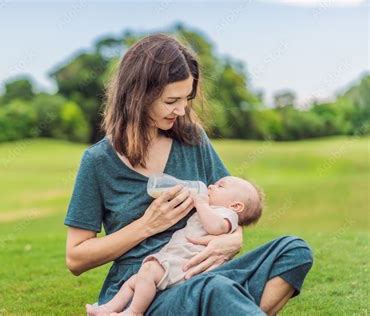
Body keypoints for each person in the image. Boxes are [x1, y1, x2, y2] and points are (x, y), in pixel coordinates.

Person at [65, 33, 313, 315]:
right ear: (138, 96)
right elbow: (76, 258)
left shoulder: (193, 140)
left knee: (293, 251)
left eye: (187, 98)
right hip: (146, 288)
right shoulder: (99, 161)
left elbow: (232, 208)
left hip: (203, 270)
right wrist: (147, 225)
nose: (182, 110)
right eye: (172, 100)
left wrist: (234, 239)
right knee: (213, 290)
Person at [85, 176, 264, 315]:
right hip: (176, 259)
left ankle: (134, 312)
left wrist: (201, 203)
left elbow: (216, 227)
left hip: (185, 263)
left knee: (147, 270)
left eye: (220, 186)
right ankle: (107, 308)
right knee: (135, 281)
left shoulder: (226, 215)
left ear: (236, 206)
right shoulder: (214, 208)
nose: (211, 186)